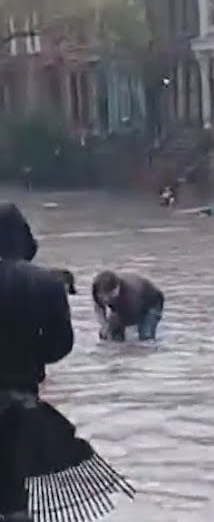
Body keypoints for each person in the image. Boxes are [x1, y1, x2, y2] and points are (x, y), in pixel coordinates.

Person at [0, 203, 73, 521]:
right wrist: (27, 359)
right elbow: (61, 345)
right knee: (15, 491)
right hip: (19, 402)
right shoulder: (47, 284)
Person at [92, 271, 165, 341]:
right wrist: (104, 324)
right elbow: (99, 307)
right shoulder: (97, 290)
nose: (105, 299)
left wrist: (110, 327)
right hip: (127, 304)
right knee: (112, 335)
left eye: (108, 296)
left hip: (153, 302)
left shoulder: (131, 295)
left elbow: (130, 320)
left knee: (146, 337)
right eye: (102, 296)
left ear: (116, 289)